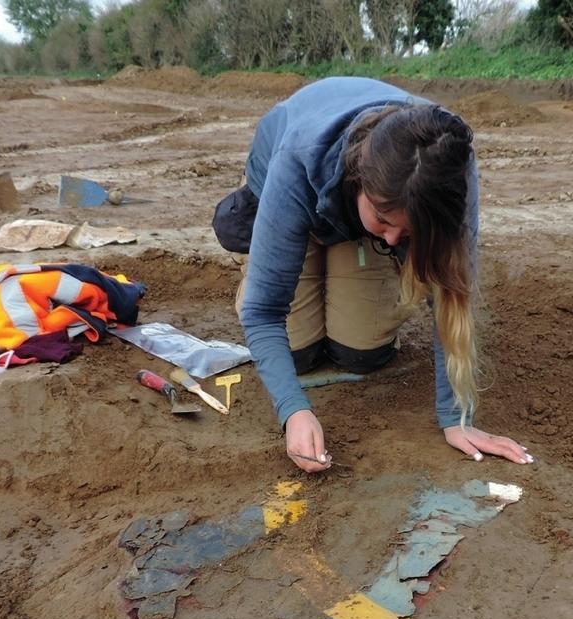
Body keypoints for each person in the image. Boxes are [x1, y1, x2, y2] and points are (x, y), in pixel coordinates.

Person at [213, 76, 532, 474]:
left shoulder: (448, 169)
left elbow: (451, 292)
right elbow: (263, 312)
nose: (398, 241)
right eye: (384, 220)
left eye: (409, 233)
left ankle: (364, 238)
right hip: (296, 188)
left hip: (369, 215)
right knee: (296, 356)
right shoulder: (297, 159)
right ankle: (294, 249)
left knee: (360, 354)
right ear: (359, 180)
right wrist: (293, 411)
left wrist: (456, 418)